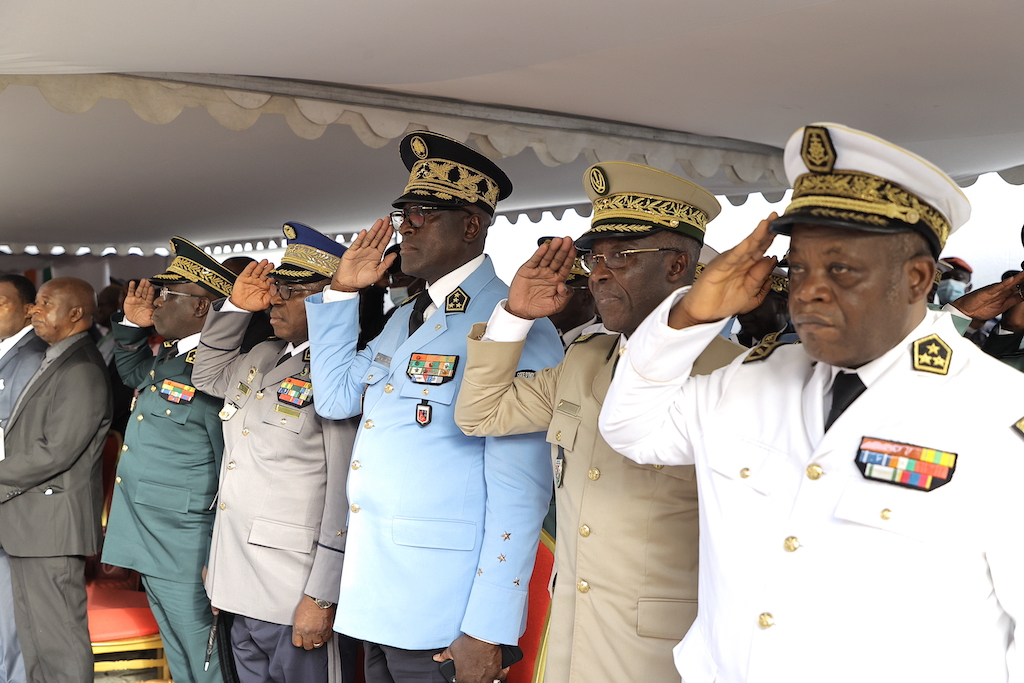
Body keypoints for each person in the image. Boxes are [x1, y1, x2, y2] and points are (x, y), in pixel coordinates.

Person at [599, 123, 1024, 683]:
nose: (809, 289)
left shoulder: (994, 412)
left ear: (918, 278)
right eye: (798, 267)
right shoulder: (751, 380)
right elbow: (631, 429)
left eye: (841, 268)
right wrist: (689, 318)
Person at [454, 162, 744, 683]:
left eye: (622, 255)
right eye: (594, 256)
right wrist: (515, 316)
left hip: (662, 651)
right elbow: (480, 414)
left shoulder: (732, 375)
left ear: (678, 265)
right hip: (568, 634)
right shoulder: (585, 359)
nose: (599, 272)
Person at [305, 131, 564, 683]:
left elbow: (522, 493)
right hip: (378, 592)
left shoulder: (515, 323)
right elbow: (333, 397)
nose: (407, 226)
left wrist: (488, 627)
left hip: (446, 611)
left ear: (471, 224)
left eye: (424, 213)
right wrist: (341, 294)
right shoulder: (406, 317)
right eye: (404, 215)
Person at [193, 222, 358, 683]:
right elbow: (206, 376)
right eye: (276, 287)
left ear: (331, 298)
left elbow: (345, 490)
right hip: (236, 577)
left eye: (292, 289)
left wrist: (323, 594)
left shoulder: (338, 375)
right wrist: (233, 309)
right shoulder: (263, 354)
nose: (276, 298)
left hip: (294, 588)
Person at [102, 237, 238, 683]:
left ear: (202, 308)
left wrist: (221, 552)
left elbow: (228, 468)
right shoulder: (170, 354)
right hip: (152, 535)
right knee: (179, 654)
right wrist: (130, 325)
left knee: (204, 654)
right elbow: (133, 374)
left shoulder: (214, 368)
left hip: (187, 542)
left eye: (167, 295)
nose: (155, 303)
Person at [0, 277, 112, 683]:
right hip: (33, 523)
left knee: (59, 642)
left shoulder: (81, 367)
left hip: (52, 525)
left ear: (75, 314)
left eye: (45, 304)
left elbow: (56, 450)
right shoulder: (58, 357)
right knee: (36, 640)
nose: (34, 311)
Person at [0, 274, 44, 683]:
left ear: (28, 310)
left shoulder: (31, 358)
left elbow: (22, 441)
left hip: (12, 501)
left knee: (8, 619)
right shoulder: (7, 353)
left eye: (1, 303)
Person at [535, 238, 597, 349]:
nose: (547, 299)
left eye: (557, 292)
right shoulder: (542, 340)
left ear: (586, 295)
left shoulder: (608, 338)